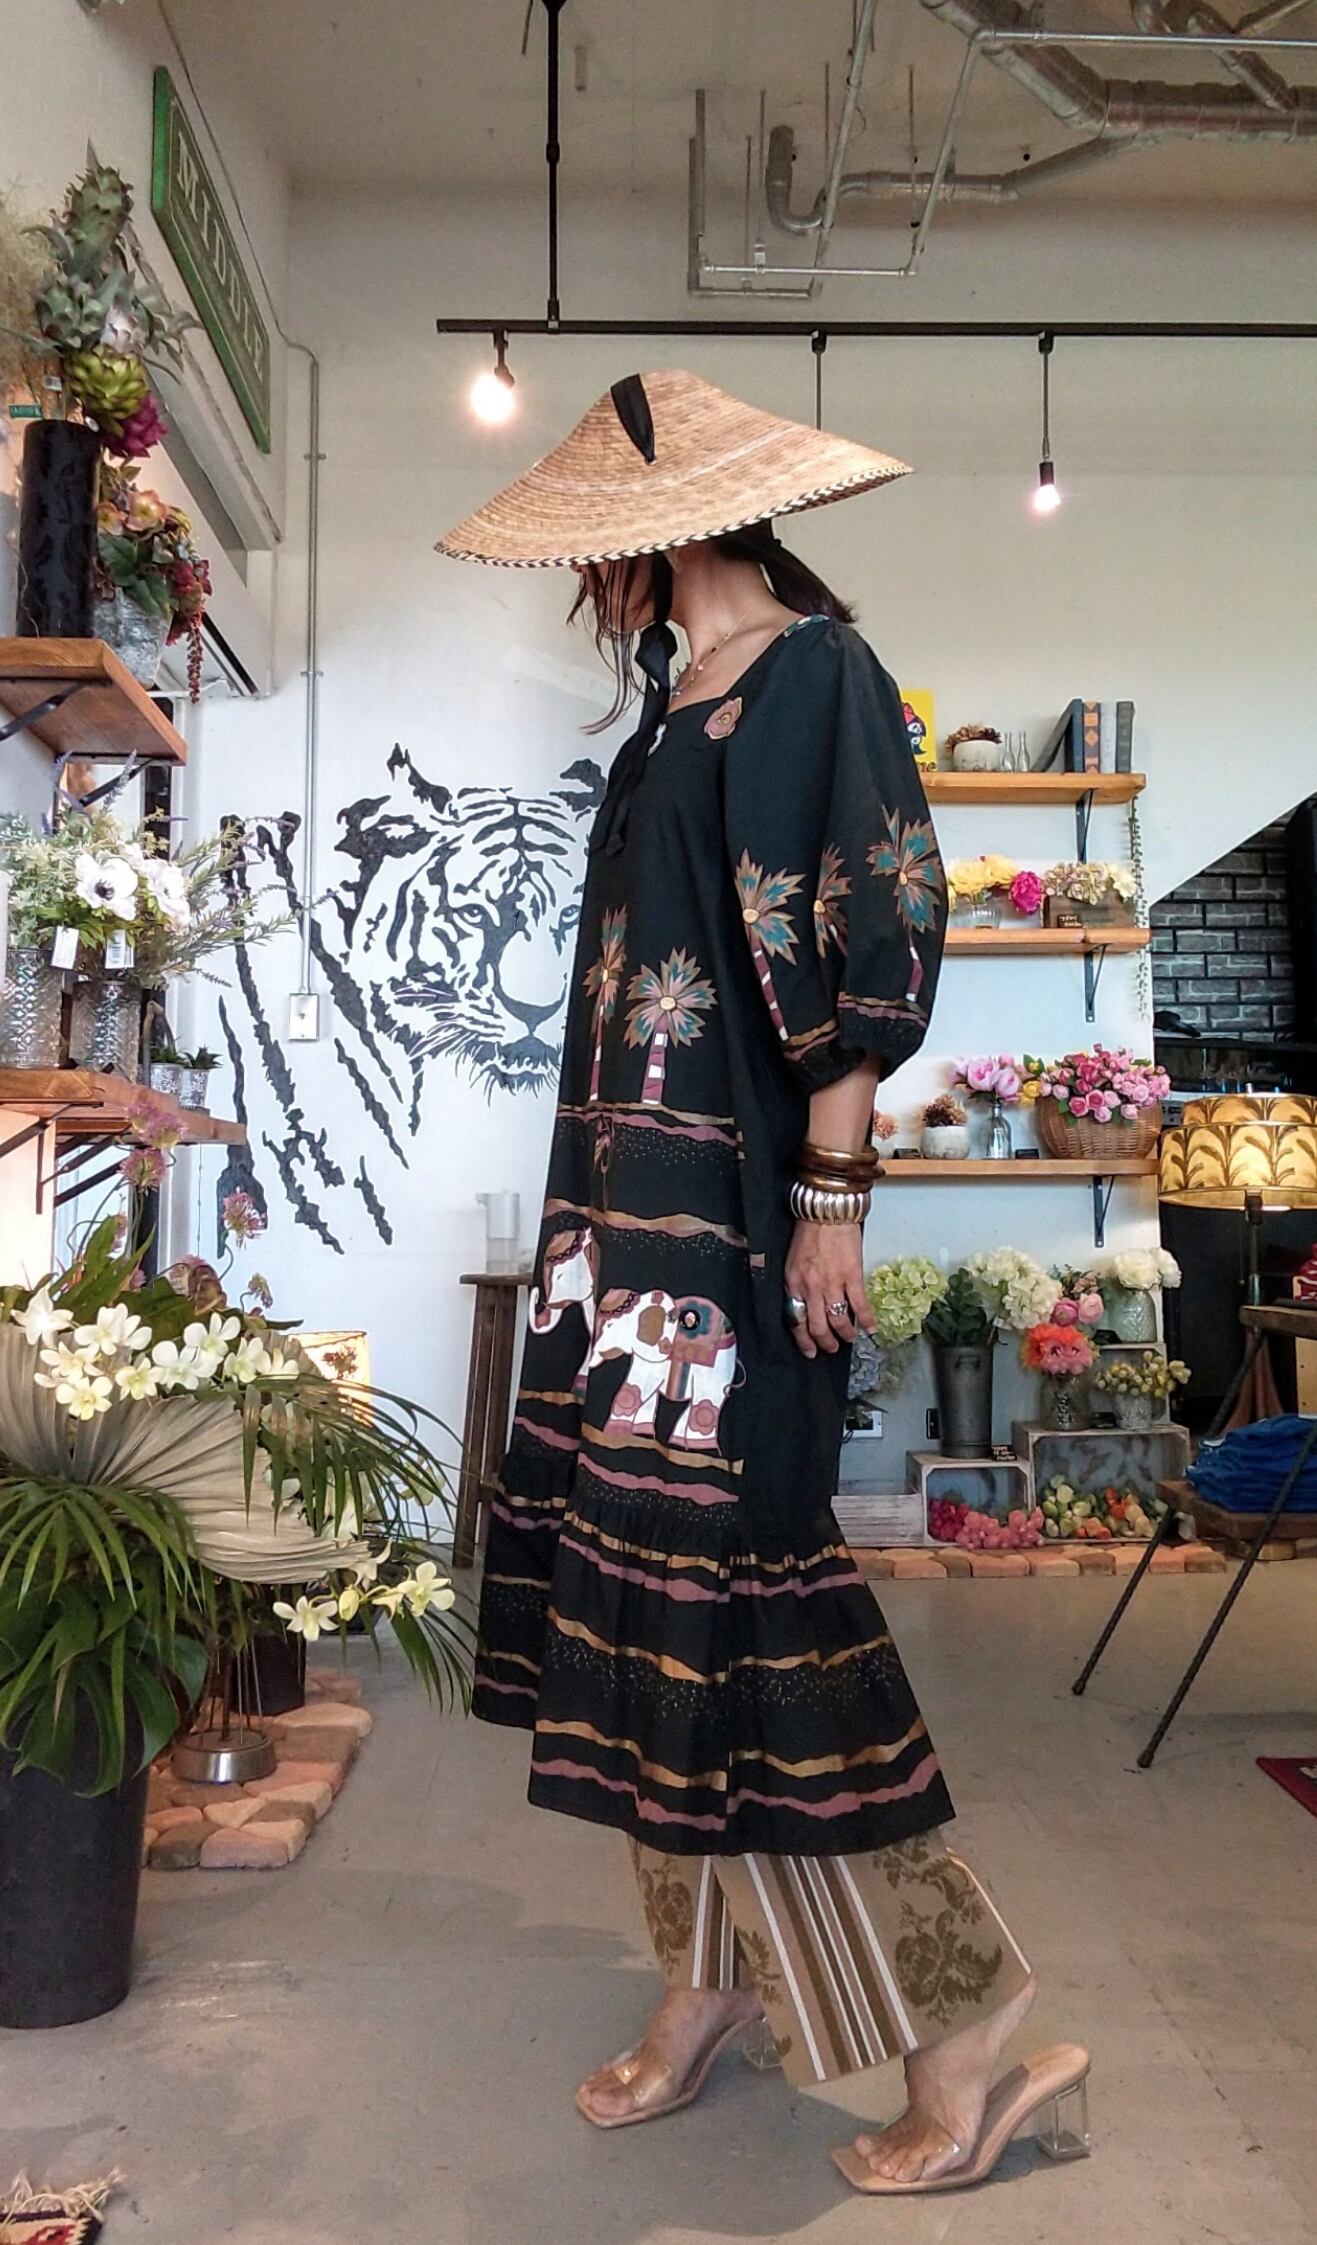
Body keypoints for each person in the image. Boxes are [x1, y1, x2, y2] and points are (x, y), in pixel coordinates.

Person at [437, 370, 1089, 2195]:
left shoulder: (815, 678)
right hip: (619, 1237)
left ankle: (969, 2046)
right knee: (646, 1624)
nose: (595, 583)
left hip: (734, 1236)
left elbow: (873, 946)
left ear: (666, 530)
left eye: (604, 550)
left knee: (769, 1631)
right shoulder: (671, 710)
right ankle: (707, 1982)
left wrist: (832, 1199)